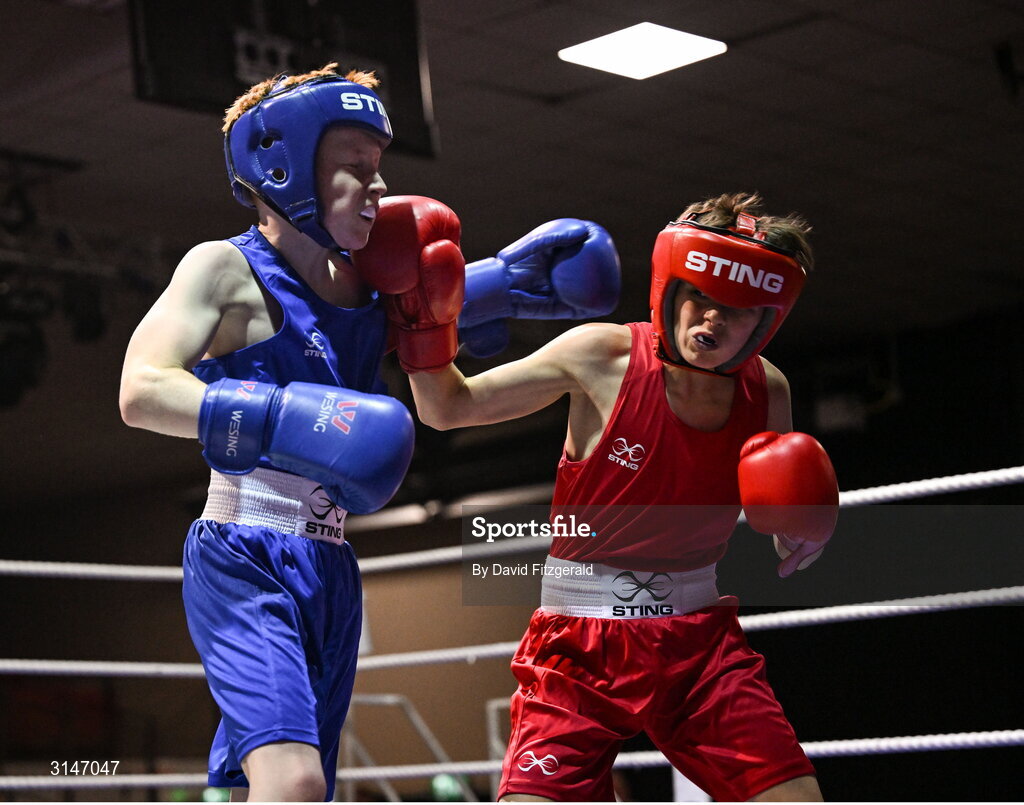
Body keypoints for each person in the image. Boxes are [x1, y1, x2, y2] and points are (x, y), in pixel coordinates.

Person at [119, 62, 621, 801]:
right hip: (244, 551)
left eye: (379, 166)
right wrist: (277, 414)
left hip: (329, 564)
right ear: (284, 166)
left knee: (296, 787)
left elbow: (429, 342)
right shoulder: (225, 270)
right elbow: (141, 388)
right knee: (290, 782)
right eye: (355, 167)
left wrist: (506, 284)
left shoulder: (368, 284)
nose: (379, 186)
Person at [385, 192, 839, 801]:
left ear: (764, 321)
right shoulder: (603, 355)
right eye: (700, 297)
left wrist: (804, 521)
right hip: (580, 643)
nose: (711, 320)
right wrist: (425, 323)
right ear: (671, 288)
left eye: (735, 311)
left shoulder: (769, 392)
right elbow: (446, 407)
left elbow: (774, 516)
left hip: (698, 643)